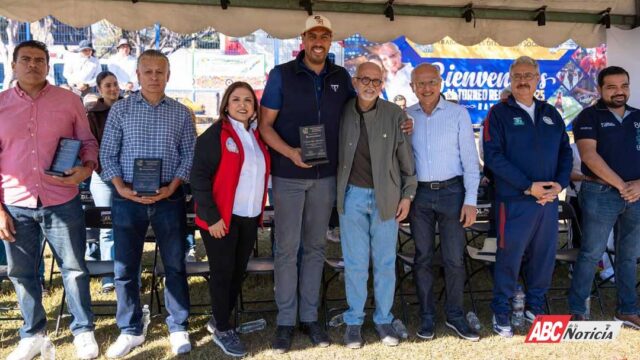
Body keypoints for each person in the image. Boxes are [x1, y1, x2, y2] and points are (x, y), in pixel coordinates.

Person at [259, 14, 355, 353]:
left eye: (324, 36)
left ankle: (310, 316)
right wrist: (290, 152)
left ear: (331, 40)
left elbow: (360, 114)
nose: (318, 41)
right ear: (303, 39)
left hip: (325, 177)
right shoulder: (282, 74)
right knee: (286, 250)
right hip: (288, 176)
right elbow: (264, 125)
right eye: (312, 35)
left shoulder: (341, 77)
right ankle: (286, 321)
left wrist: (399, 120)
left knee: (316, 249)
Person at [0, 40, 100, 360]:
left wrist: (84, 171)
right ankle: (33, 334)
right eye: (26, 59)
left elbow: (88, 143)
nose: (33, 64)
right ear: (13, 65)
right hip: (15, 203)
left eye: (39, 60)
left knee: (74, 269)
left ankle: (83, 330)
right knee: (22, 272)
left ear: (48, 65)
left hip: (62, 199)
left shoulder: (69, 101)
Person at [100, 49, 196, 357]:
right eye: (148, 72)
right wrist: (120, 188)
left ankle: (178, 325)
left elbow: (189, 156)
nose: (154, 77)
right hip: (127, 199)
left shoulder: (181, 113)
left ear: (168, 76)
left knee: (175, 264)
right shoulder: (121, 111)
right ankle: (130, 329)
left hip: (169, 199)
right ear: (138, 75)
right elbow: (107, 155)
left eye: (160, 72)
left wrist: (172, 187)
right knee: (125, 267)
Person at [483, 56, 572, 338]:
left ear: (538, 79)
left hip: (547, 203)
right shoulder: (498, 113)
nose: (523, 80)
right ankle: (502, 311)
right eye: (517, 75)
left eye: (529, 75)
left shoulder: (550, 113)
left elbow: (565, 152)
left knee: (544, 258)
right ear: (510, 79)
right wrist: (527, 186)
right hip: (514, 201)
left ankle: (535, 308)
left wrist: (559, 184)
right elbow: (493, 157)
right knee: (509, 258)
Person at [338, 62, 416, 349]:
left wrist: (407, 195)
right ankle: (354, 322)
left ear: (383, 84)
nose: (370, 85)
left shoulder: (396, 115)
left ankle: (384, 319)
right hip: (352, 197)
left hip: (388, 198)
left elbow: (407, 161)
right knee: (356, 263)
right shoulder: (343, 112)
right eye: (365, 79)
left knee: (384, 262)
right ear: (355, 82)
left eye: (377, 80)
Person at [190, 81, 270, 357]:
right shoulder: (215, 135)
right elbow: (198, 177)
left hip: (248, 217)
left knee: (237, 271)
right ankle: (223, 328)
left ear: (254, 107)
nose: (242, 105)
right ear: (226, 104)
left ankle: (219, 318)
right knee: (223, 273)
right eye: (236, 99)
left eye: (248, 100)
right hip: (221, 219)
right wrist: (212, 217)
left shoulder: (256, 136)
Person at [407, 63, 481, 342]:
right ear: (412, 87)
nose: (426, 88)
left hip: (453, 192)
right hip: (420, 195)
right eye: (420, 84)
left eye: (431, 82)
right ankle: (427, 317)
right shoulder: (406, 116)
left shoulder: (458, 114)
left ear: (440, 83)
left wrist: (471, 200)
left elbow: (470, 161)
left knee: (453, 259)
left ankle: (455, 315)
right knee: (423, 257)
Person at [568, 66, 640, 328]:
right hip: (601, 194)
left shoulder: (638, 116)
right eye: (611, 87)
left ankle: (627, 310)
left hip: (636, 195)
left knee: (629, 255)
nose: (619, 91)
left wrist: (638, 186)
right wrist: (623, 185)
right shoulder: (588, 116)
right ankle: (578, 310)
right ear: (600, 89)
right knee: (591, 253)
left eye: (624, 85)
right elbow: (589, 156)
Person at [86, 70, 123, 293]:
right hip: (102, 178)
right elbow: (91, 146)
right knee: (107, 227)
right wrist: (107, 171)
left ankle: (127, 271)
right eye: (108, 85)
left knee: (127, 226)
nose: (113, 88)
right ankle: (109, 275)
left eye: (115, 84)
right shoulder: (92, 114)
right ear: (99, 89)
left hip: (128, 177)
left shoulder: (130, 108)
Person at [376, 42, 418, 107]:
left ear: (399, 54)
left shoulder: (416, 74)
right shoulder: (384, 78)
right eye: (384, 59)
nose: (390, 62)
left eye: (392, 56)